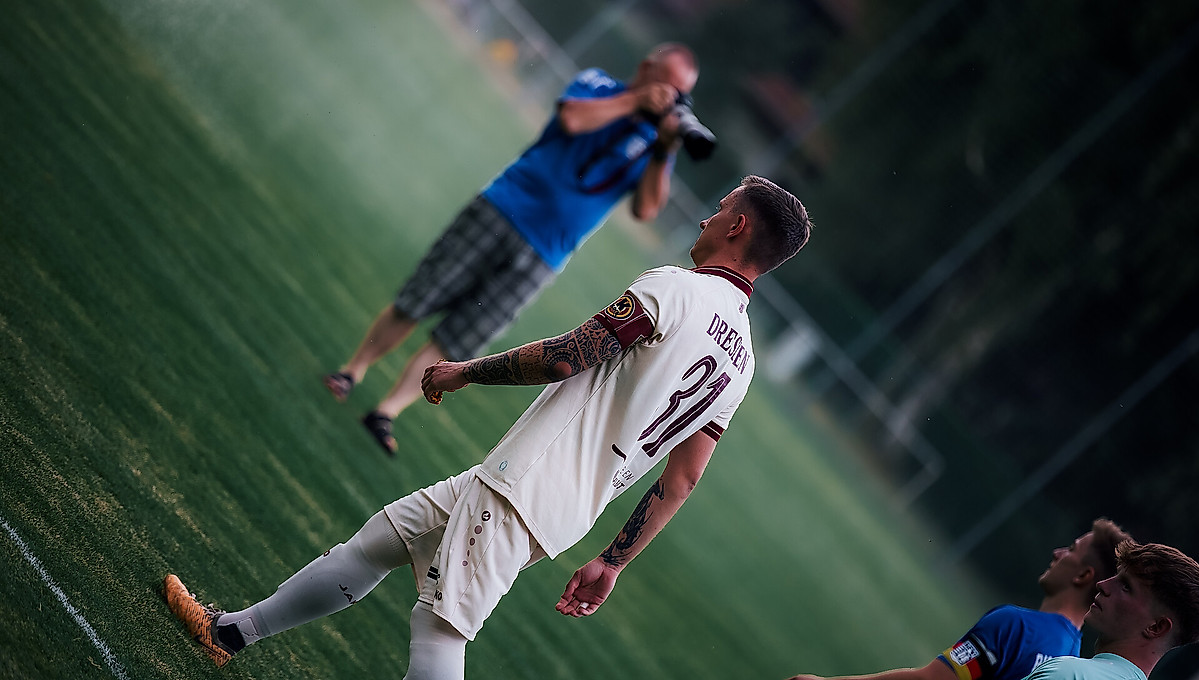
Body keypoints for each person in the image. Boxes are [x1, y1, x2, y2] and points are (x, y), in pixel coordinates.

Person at [165, 175, 813, 677]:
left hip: (522, 486)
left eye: (719, 208)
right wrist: (613, 562)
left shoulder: (675, 289)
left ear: (737, 225)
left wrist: (466, 371)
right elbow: (683, 479)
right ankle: (230, 633)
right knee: (381, 541)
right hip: (557, 506)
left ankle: (231, 633)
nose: (705, 218)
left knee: (441, 631)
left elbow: (566, 357)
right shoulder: (743, 362)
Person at [324, 42, 701, 456]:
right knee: (418, 300)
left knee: (460, 338)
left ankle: (386, 411)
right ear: (646, 68)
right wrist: (634, 102)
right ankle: (352, 371)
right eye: (668, 84)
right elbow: (573, 119)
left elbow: (646, 209)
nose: (672, 98)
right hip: (502, 208)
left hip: (546, 254)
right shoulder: (599, 85)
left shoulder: (654, 141)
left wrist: (665, 148)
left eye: (681, 93)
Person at [786, 519, 1134, 680]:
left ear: (1083, 576)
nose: (1058, 552)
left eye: (1071, 549)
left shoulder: (1015, 627)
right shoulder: (1071, 660)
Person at [1022, 541, 1199, 680]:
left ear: (1156, 627)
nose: (1102, 584)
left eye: (1126, 586)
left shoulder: (1069, 674)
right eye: (1116, 575)